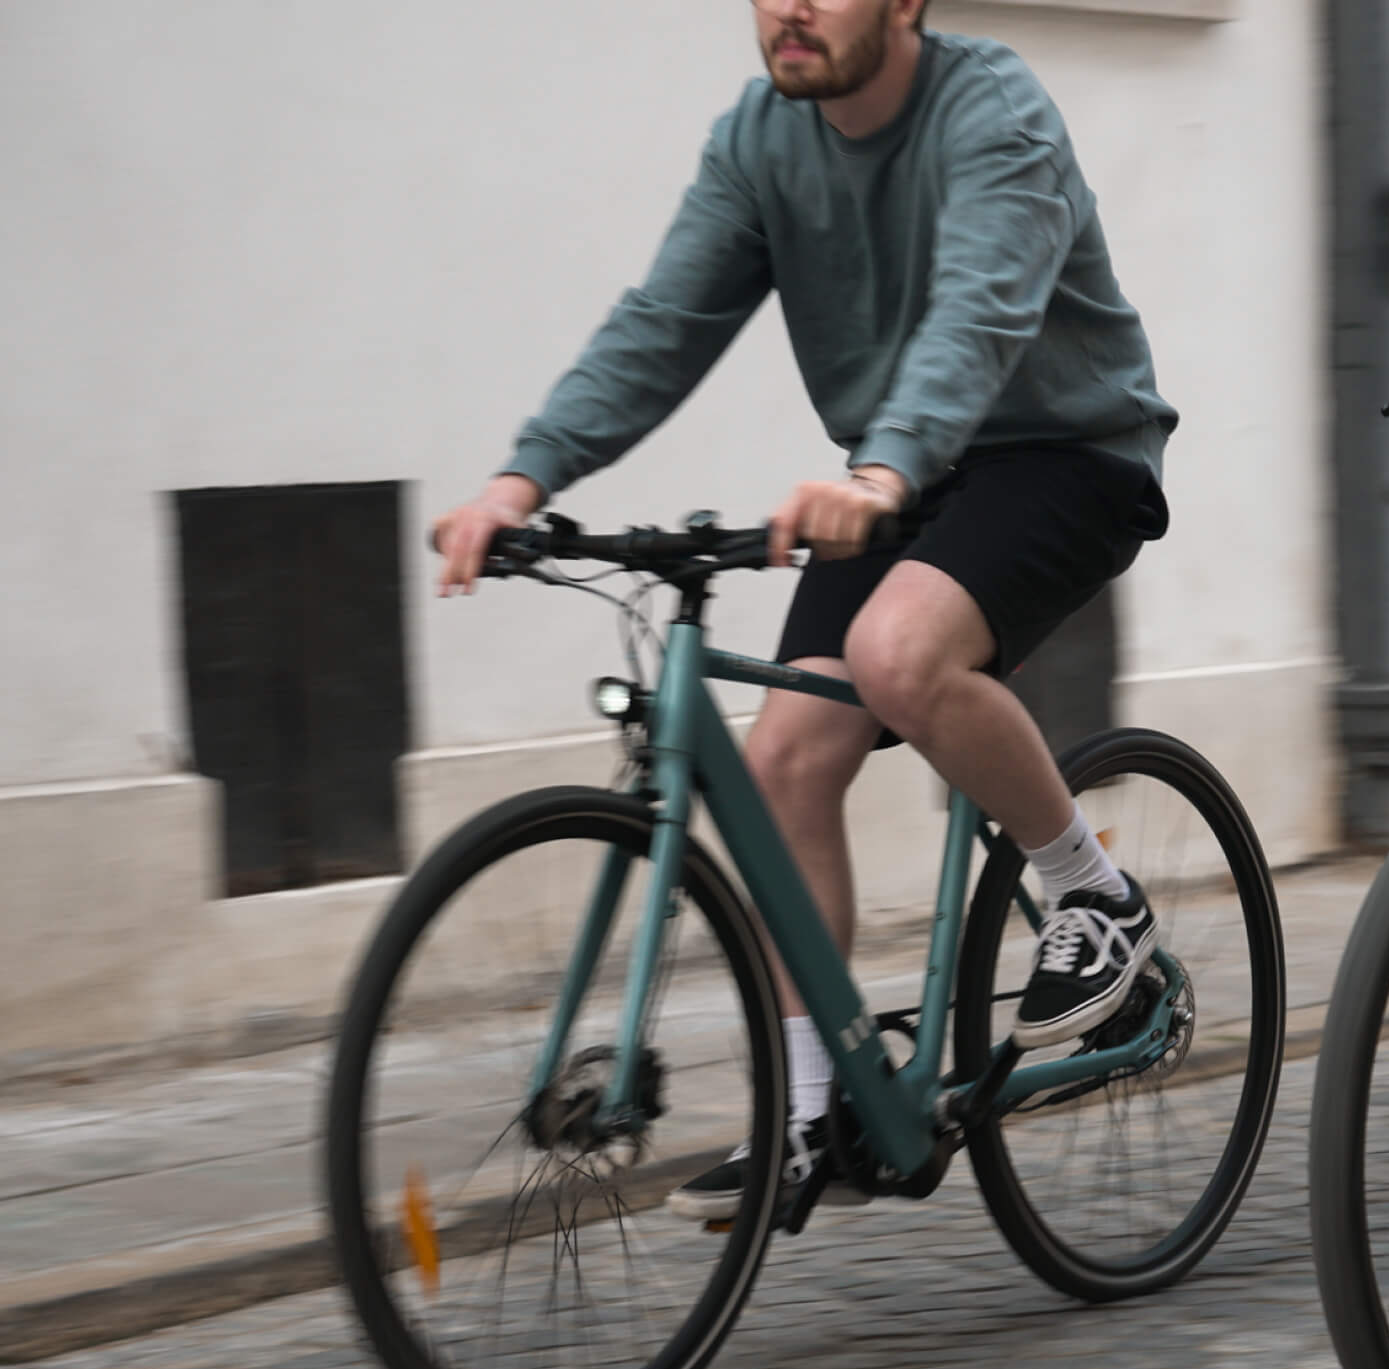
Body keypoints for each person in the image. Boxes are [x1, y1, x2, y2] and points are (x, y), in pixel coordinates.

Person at [431, 0, 1178, 1221]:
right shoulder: (759, 142)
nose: (788, 8)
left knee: (896, 653)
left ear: (905, 5)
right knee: (782, 757)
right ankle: (818, 1107)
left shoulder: (995, 112)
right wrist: (525, 479)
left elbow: (979, 311)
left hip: (1066, 449)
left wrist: (883, 472)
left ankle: (1090, 891)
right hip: (898, 470)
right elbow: (663, 323)